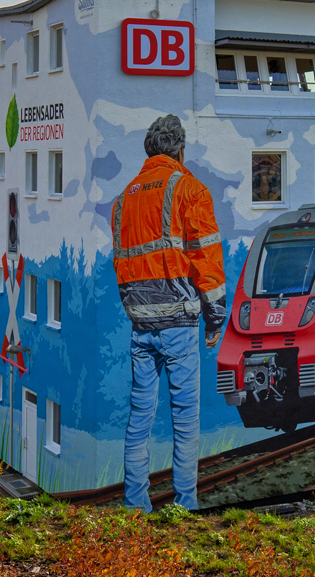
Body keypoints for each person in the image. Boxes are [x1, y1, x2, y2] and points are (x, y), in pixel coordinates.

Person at [112, 113, 227, 512]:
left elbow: (123, 264)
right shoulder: (190, 190)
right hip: (178, 323)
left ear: (150, 150)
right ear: (180, 150)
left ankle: (135, 507)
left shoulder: (123, 199)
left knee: (139, 418)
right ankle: (184, 507)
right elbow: (206, 259)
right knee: (185, 418)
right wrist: (215, 318)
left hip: (140, 325)